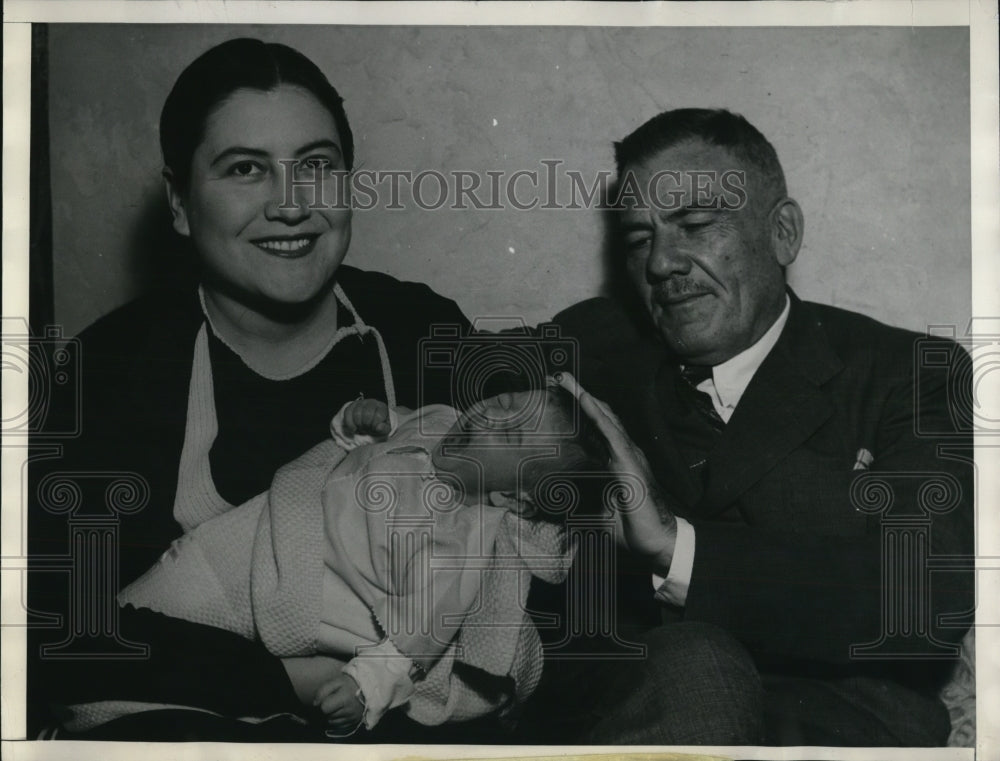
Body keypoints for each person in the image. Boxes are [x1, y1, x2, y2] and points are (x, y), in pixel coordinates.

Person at [27, 38, 474, 741]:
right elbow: (57, 630)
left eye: (316, 167)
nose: (291, 205)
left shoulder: (423, 332)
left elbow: (502, 559)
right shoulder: (110, 369)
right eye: (245, 169)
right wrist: (297, 680)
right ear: (179, 204)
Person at [533, 108, 975, 746]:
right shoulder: (602, 351)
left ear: (783, 233)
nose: (660, 263)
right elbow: (459, 378)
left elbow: (924, 597)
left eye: (695, 225)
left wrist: (676, 549)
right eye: (638, 240)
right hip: (640, 709)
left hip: (833, 726)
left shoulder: (907, 373)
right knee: (694, 665)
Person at [81, 387, 607, 738]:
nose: (489, 414)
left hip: (281, 589)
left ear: (512, 501)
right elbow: (377, 442)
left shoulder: (459, 543)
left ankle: (91, 722)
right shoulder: (439, 422)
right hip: (252, 532)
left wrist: (365, 687)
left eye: (510, 435)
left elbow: (415, 640)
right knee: (138, 614)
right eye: (505, 400)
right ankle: (86, 703)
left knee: (152, 663)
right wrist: (363, 424)